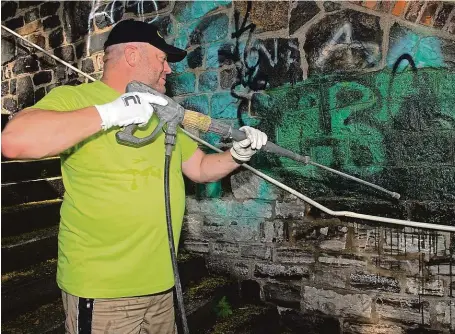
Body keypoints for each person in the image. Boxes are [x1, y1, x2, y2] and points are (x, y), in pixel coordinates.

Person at [1, 20, 267, 334]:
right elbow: (13, 141)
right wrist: (111, 113)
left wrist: (237, 155)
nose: (168, 70)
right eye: (162, 59)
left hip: (161, 285)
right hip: (103, 291)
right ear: (132, 55)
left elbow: (199, 168)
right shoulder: (76, 99)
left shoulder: (161, 112)